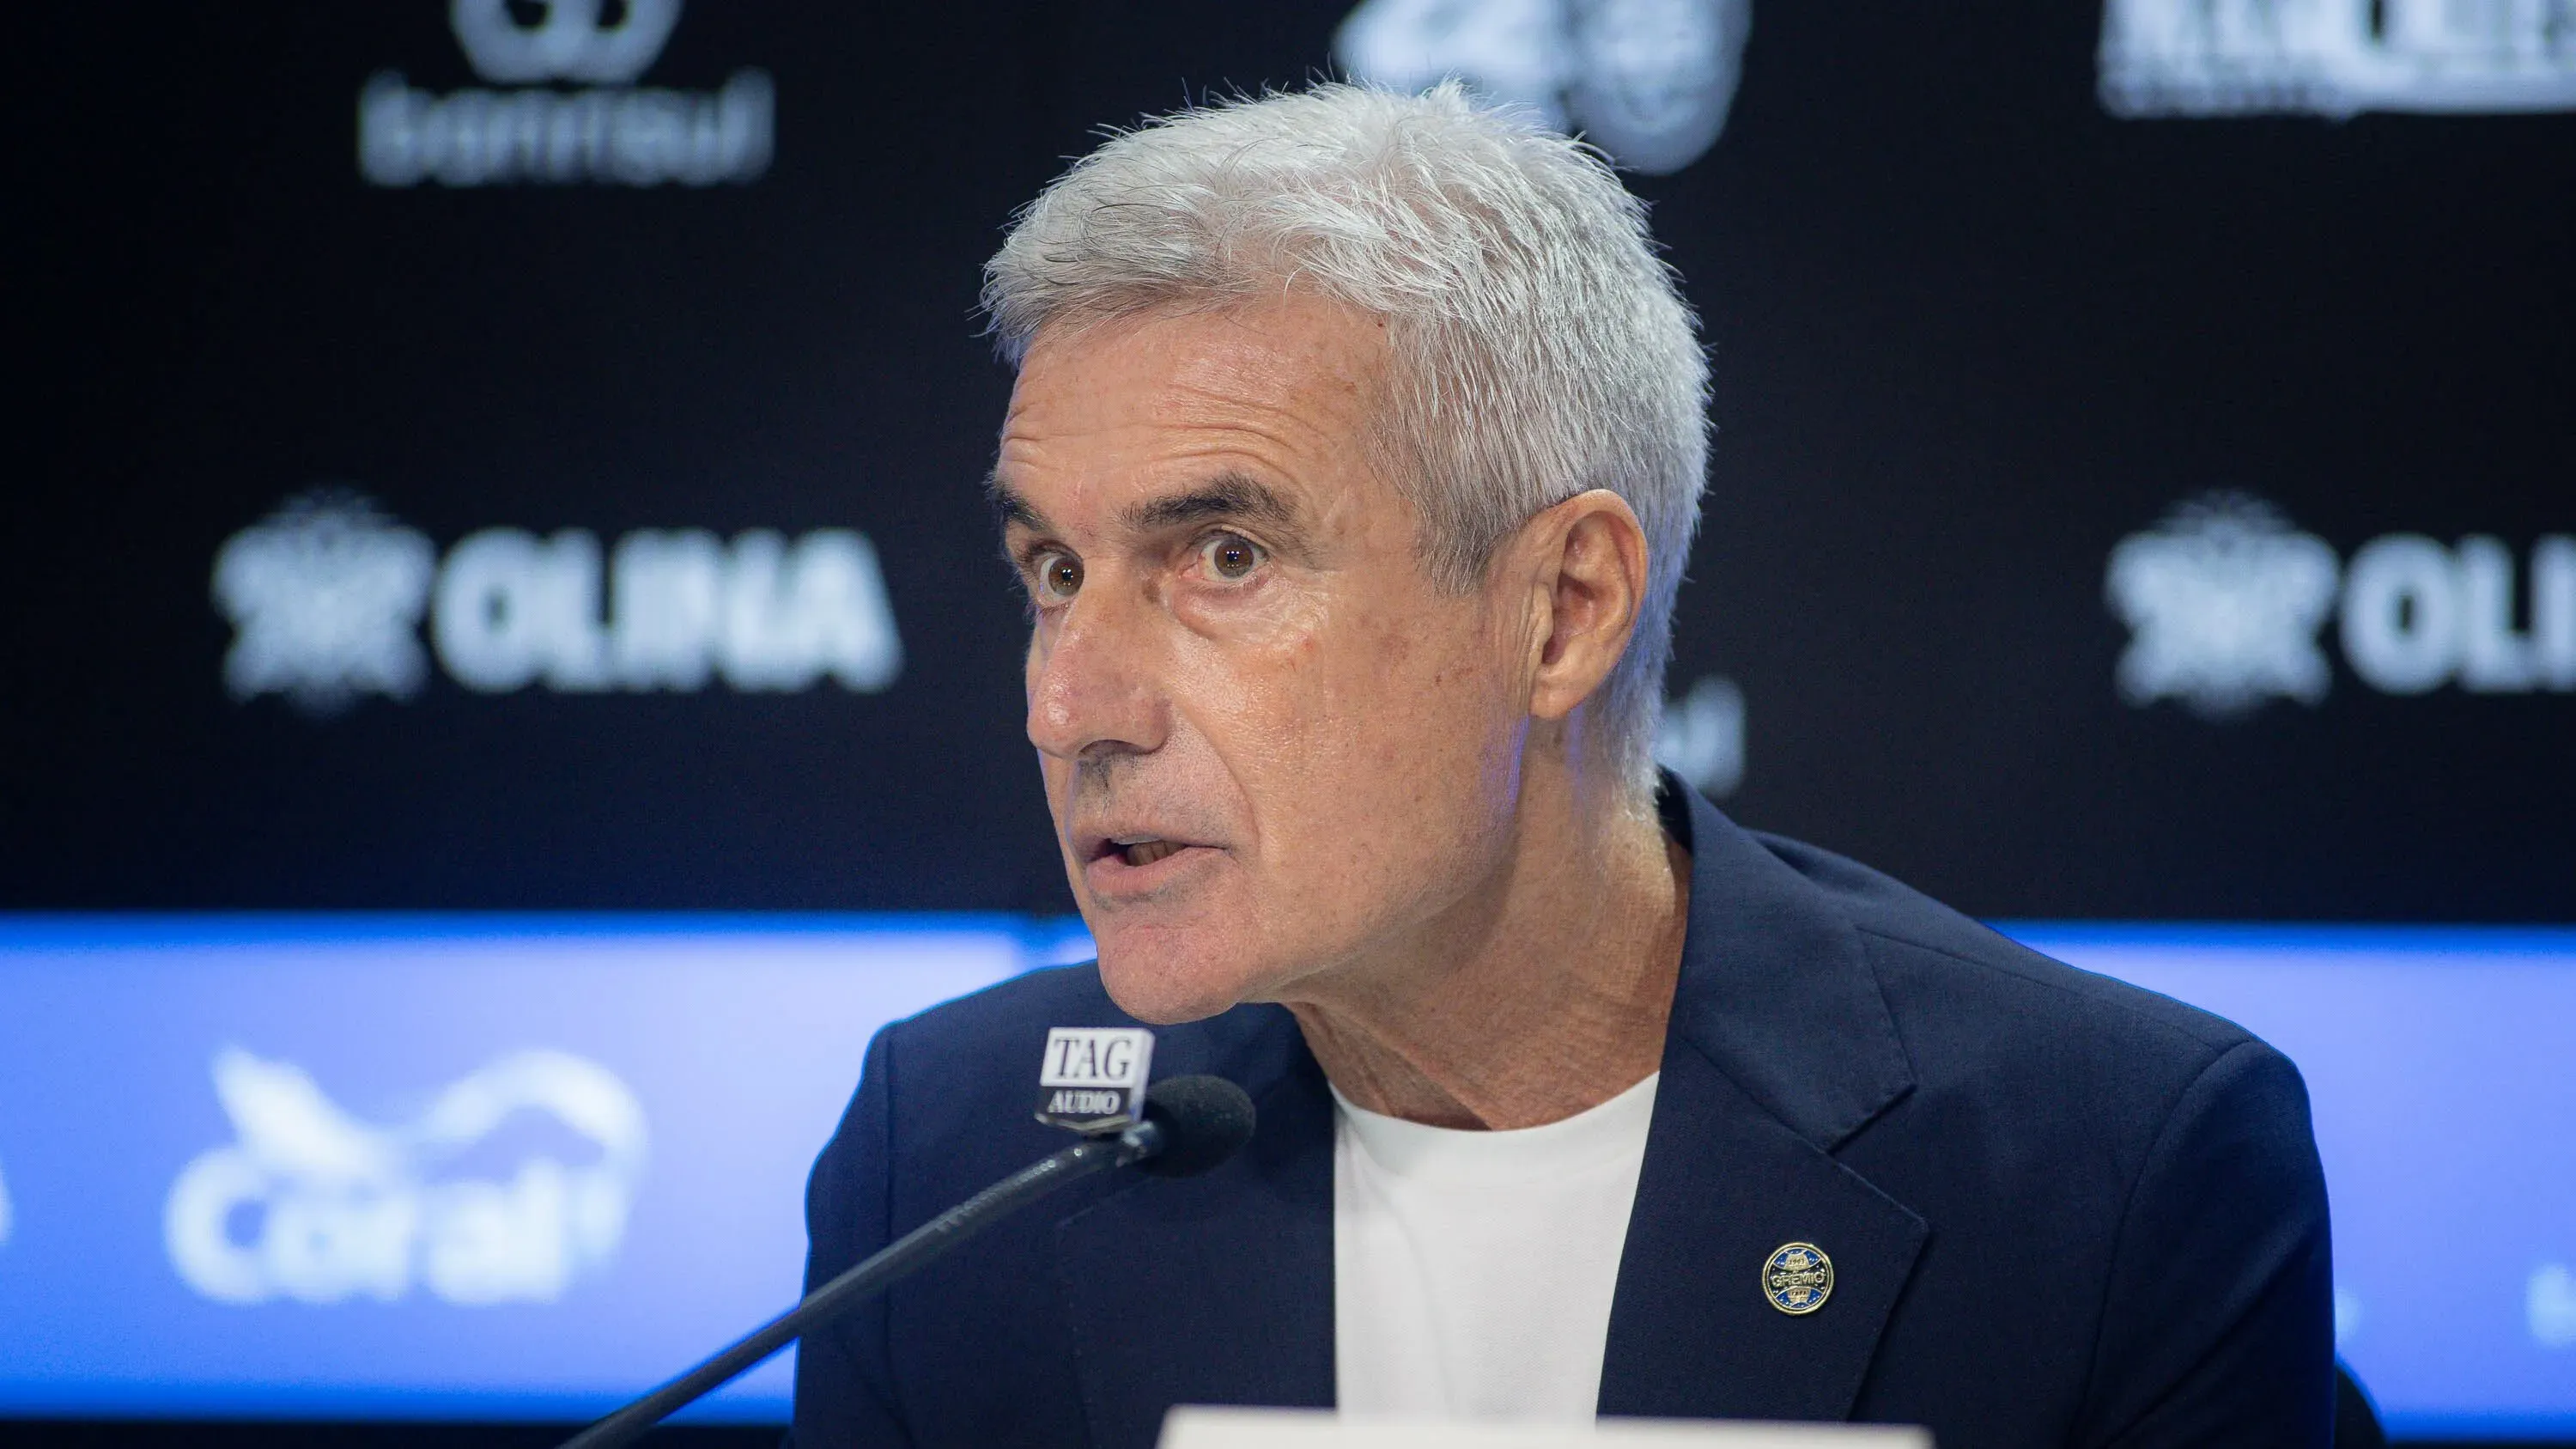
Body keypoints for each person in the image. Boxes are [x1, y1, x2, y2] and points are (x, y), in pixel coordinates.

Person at [791, 82, 2331, 1447]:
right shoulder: (950, 1154)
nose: (1070, 704)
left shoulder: (2107, 1174)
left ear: (1563, 609)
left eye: (1225, 555)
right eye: (1054, 571)